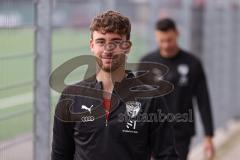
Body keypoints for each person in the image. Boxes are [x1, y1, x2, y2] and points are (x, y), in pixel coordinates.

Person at [51, 11, 179, 160]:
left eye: (116, 41)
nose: (107, 49)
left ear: (127, 47)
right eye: (101, 41)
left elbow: (167, 155)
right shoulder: (72, 96)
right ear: (92, 45)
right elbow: (60, 154)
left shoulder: (150, 99)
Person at [139, 18, 214, 160]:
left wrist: (208, 136)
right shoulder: (146, 63)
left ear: (177, 34)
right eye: (162, 41)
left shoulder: (192, 63)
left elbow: (203, 100)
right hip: (152, 132)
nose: (166, 45)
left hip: (181, 133)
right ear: (156, 37)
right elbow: (138, 102)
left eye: (169, 40)